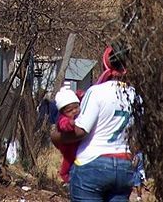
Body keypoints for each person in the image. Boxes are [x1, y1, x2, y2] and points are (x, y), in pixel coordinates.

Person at [51, 44, 137, 202]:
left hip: (93, 164)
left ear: (105, 63)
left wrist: (56, 137)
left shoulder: (96, 92)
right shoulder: (134, 95)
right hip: (124, 165)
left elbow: (81, 131)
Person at [53, 88, 81, 184]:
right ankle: (64, 174)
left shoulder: (79, 115)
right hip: (68, 146)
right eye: (70, 110)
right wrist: (70, 124)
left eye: (76, 107)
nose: (74, 111)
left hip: (77, 144)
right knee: (68, 159)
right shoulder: (64, 118)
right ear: (63, 112)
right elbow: (63, 124)